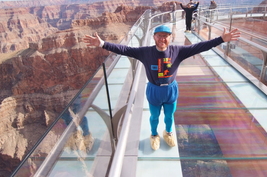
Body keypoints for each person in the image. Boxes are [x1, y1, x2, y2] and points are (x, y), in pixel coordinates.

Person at [83, 25, 240, 150]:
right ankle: (154, 135)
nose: (162, 39)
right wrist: (102, 43)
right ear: (154, 37)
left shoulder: (178, 51)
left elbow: (201, 46)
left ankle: (168, 133)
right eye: (159, 36)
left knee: (170, 116)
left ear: (170, 37)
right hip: (154, 90)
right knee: (154, 116)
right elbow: (125, 50)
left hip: (171, 90)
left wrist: (221, 39)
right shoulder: (145, 52)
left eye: (165, 36)